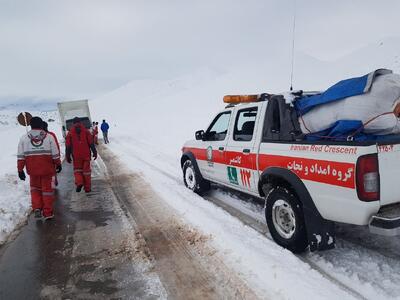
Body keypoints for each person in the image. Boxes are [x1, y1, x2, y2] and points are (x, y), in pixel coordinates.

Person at [17, 116, 62, 220]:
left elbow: (20, 156)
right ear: (41, 125)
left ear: (31, 125)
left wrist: (20, 170)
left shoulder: (24, 138)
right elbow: (55, 154)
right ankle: (48, 213)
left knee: (35, 190)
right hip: (47, 170)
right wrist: (58, 164)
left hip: (32, 171)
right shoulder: (49, 137)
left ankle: (37, 208)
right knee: (47, 191)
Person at [66, 117, 97, 193]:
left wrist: (68, 156)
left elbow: (68, 146)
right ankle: (87, 189)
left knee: (77, 171)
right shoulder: (86, 131)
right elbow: (91, 143)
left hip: (76, 156)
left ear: (73, 123)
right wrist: (94, 152)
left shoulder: (70, 133)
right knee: (87, 172)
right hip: (86, 155)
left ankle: (79, 182)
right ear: (80, 122)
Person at [42, 121, 61, 187]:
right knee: (52, 172)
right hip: (51, 159)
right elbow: (56, 147)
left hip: (40, 160)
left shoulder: (34, 136)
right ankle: (52, 186)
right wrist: (58, 159)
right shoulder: (51, 135)